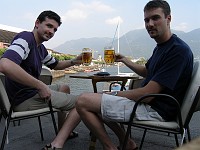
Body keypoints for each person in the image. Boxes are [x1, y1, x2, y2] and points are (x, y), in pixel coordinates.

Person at [75, 0, 194, 150]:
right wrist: (125, 60)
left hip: (155, 109)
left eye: (155, 18)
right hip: (149, 103)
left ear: (168, 19)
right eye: (146, 20)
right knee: (96, 98)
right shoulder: (163, 47)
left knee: (83, 101)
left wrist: (115, 93)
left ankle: (109, 147)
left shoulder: (177, 51)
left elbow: (148, 94)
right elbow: (147, 72)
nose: (150, 24)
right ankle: (128, 143)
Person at [0, 10, 81, 149]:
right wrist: (39, 85)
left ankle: (64, 131)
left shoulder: (40, 48)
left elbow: (56, 65)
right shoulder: (25, 38)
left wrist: (74, 61)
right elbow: (5, 64)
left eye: (55, 29)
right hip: (22, 99)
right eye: (49, 26)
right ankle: (58, 142)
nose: (52, 31)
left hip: (29, 93)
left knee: (64, 87)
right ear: (37, 23)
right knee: (83, 103)